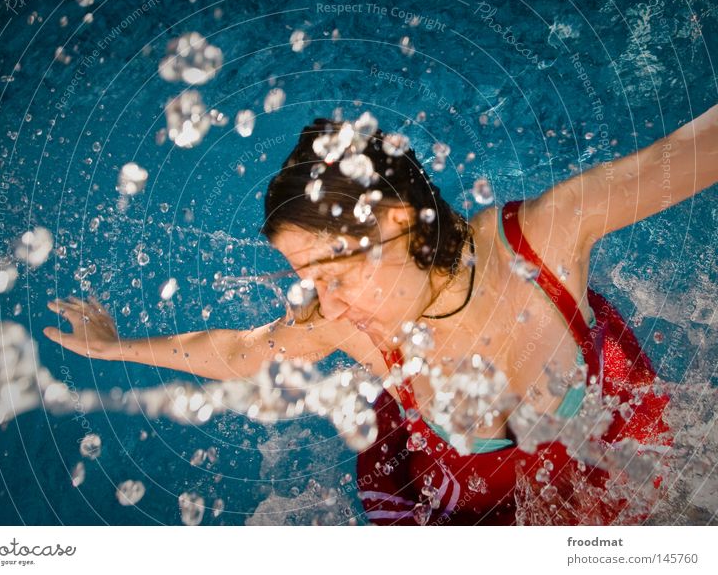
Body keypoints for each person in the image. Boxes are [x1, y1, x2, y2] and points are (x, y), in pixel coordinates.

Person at [44, 105, 718, 525]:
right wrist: (114, 348)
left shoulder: (541, 239)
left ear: (398, 222)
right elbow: (246, 352)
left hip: (614, 436)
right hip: (470, 504)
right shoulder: (348, 322)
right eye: (308, 281)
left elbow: (689, 152)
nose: (324, 304)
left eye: (333, 274)